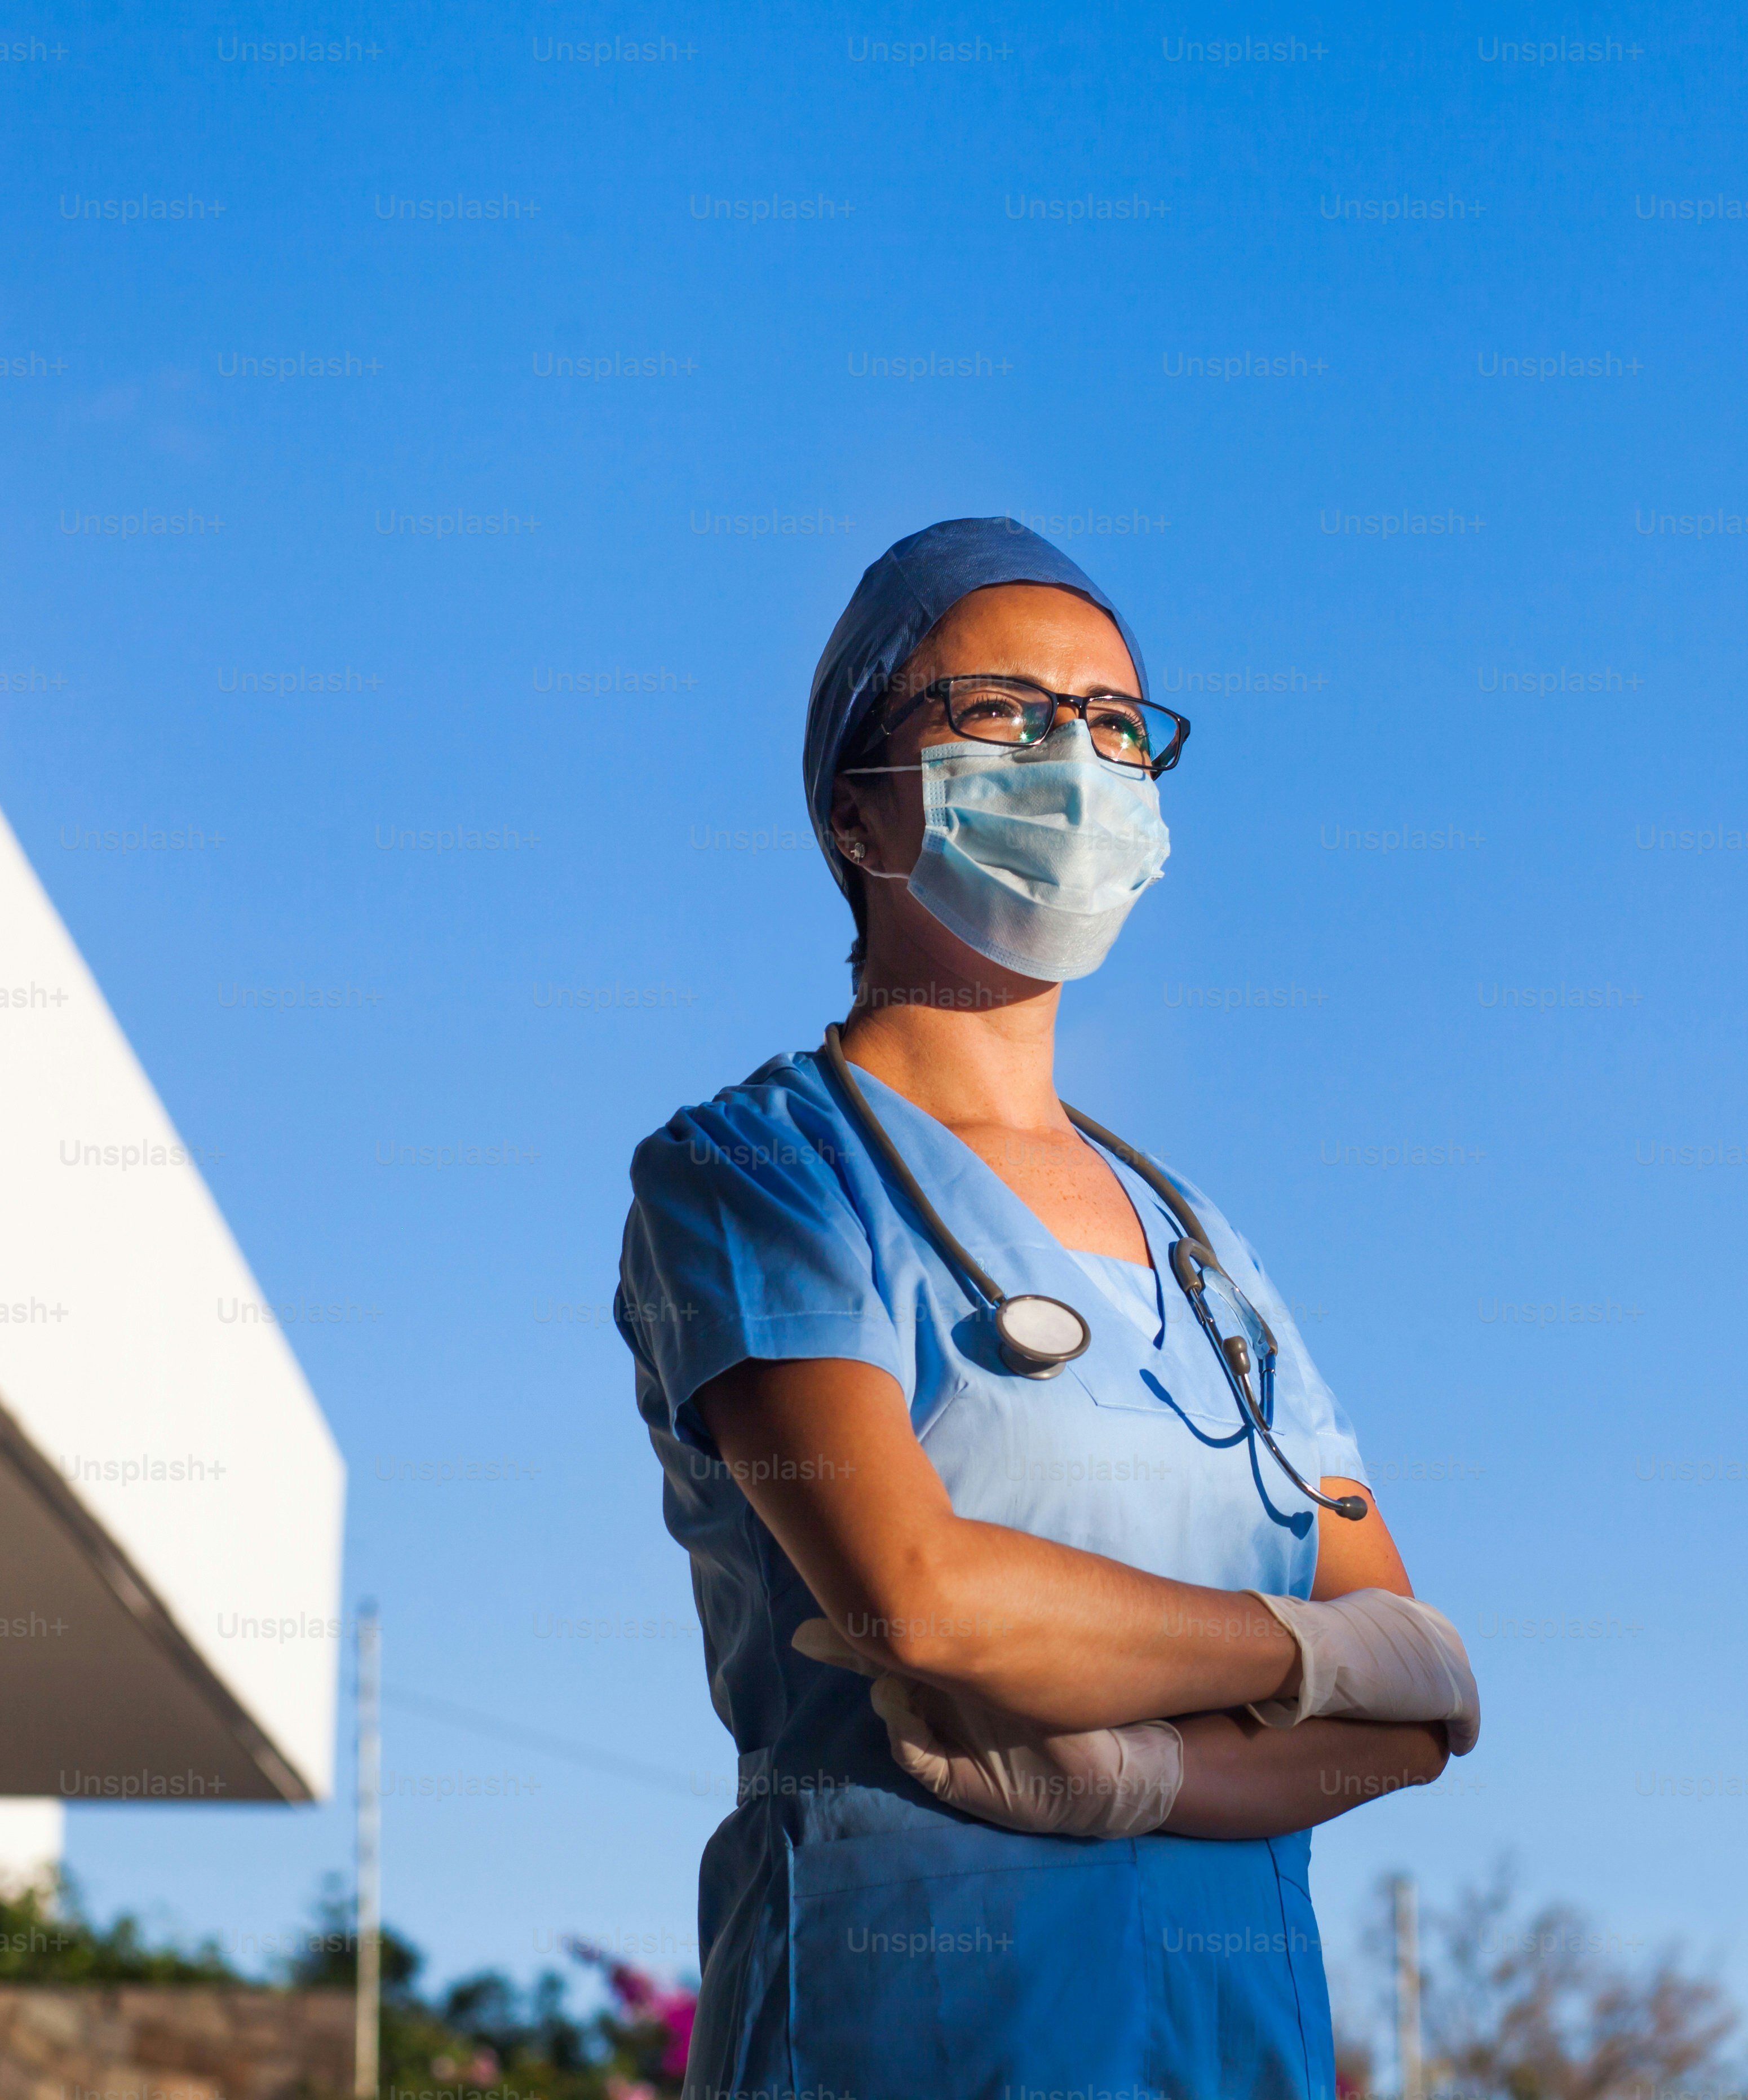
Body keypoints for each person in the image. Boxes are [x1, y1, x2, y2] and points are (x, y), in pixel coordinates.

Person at [617, 517, 1482, 2099]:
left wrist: (1127, 1774)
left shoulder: (1197, 1244)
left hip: (1227, 2047)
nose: (1073, 760)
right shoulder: (764, 1175)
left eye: (1110, 722)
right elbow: (920, 1603)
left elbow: (1417, 1700)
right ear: (854, 808)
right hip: (909, 2036)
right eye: (1004, 713)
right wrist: (1305, 1658)